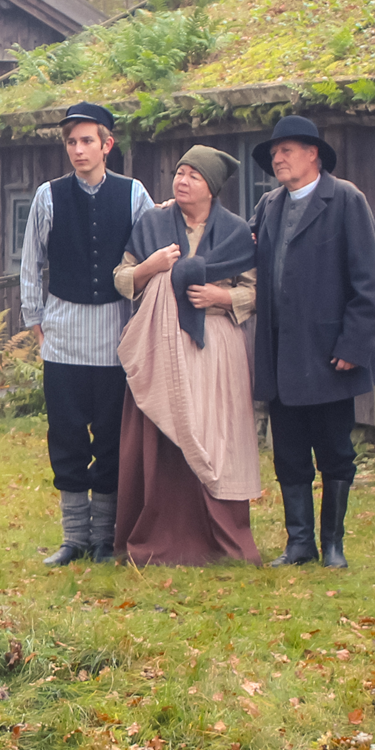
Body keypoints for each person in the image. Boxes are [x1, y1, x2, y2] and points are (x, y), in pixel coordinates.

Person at [110, 147, 261, 566]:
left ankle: (217, 539)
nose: (182, 180)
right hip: (160, 343)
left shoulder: (233, 232)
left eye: (193, 175)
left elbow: (255, 290)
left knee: (215, 434)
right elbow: (122, 278)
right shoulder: (154, 223)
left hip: (214, 345)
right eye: (179, 171)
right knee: (162, 436)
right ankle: (162, 536)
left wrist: (222, 295)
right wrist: (151, 267)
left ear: (211, 188)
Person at [19, 102, 154, 566]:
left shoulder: (135, 194)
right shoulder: (47, 196)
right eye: (72, 142)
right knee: (68, 436)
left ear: (107, 145)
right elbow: (32, 260)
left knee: (113, 438)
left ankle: (106, 538)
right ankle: (73, 537)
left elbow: (151, 254)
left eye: (87, 141)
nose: (78, 150)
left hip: (116, 335)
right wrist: (34, 317)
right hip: (64, 334)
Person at [248, 115, 375, 569]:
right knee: (288, 452)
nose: (277, 158)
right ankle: (299, 543)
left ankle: (334, 546)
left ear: (314, 155)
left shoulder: (345, 200)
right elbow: (239, 250)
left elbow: (369, 282)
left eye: (286, 150)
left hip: (329, 354)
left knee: (335, 452)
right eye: (273, 153)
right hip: (281, 352)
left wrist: (353, 344)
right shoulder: (268, 205)